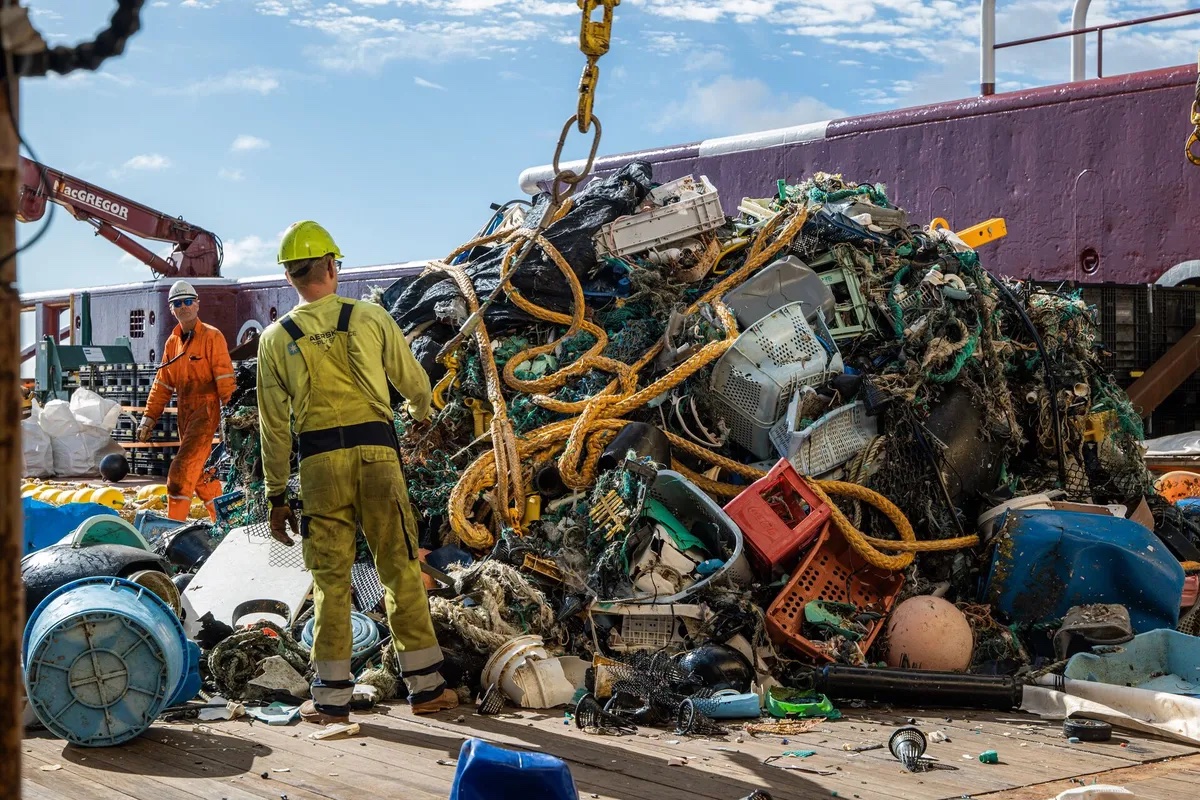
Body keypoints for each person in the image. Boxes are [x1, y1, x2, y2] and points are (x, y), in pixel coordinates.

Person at [257, 220, 459, 724]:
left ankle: (329, 698)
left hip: (319, 467)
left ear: (289, 278)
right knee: (398, 567)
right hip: (377, 459)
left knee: (330, 580)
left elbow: (274, 429)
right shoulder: (370, 317)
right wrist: (421, 412)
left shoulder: (275, 340)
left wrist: (276, 495)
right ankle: (427, 689)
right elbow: (415, 382)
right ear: (331, 266)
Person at [139, 280, 235, 521]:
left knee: (180, 473)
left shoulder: (212, 337)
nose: (184, 307)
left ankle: (173, 528)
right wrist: (149, 418)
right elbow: (162, 384)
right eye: (177, 303)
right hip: (185, 413)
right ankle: (227, 521)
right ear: (171, 309)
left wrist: (231, 418)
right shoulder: (173, 343)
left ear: (197, 305)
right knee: (200, 475)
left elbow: (225, 379)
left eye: (188, 301)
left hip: (206, 412)